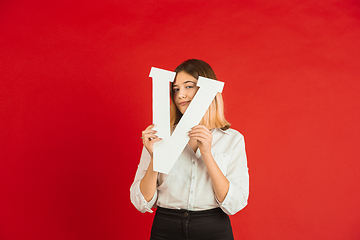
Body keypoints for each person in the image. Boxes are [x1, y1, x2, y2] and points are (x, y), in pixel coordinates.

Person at [130, 59, 249, 240]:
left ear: (206, 90)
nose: (181, 95)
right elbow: (141, 202)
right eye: (176, 89)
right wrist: (156, 158)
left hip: (213, 229)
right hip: (165, 229)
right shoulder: (159, 136)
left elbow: (235, 204)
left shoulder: (232, 139)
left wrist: (207, 154)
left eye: (189, 86)